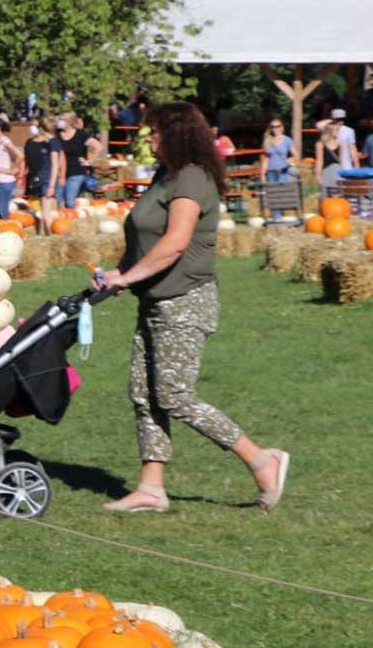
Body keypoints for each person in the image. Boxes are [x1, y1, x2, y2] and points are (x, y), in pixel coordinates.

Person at [93, 103, 291, 513]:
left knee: (174, 396)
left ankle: (261, 459)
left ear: (177, 133)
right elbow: (147, 241)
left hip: (185, 302)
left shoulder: (192, 178)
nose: (148, 139)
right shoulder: (165, 176)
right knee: (144, 394)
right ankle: (152, 488)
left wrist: (127, 278)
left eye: (155, 133)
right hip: (154, 300)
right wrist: (118, 274)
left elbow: (176, 242)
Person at [53, 113, 101, 207]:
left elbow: (98, 146)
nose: (60, 122)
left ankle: (70, 218)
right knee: (58, 200)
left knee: (70, 200)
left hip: (76, 172)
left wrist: (89, 161)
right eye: (59, 119)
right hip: (59, 172)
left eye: (62, 120)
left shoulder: (80, 135)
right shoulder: (56, 135)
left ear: (70, 122)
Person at [21, 121, 57, 231]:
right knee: (36, 210)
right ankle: (41, 233)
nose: (33, 128)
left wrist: (51, 185)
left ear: (42, 128)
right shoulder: (29, 143)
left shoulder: (51, 143)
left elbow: (55, 165)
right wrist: (21, 174)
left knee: (46, 211)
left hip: (45, 178)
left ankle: (51, 236)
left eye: (36, 126)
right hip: (33, 179)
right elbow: (25, 160)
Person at [261, 118, 294, 183]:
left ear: (282, 127)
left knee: (283, 192)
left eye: (278, 126)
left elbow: (295, 155)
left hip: (283, 171)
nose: (275, 128)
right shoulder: (268, 141)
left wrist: (290, 162)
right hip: (270, 171)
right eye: (272, 127)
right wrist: (262, 174)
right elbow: (266, 159)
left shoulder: (287, 140)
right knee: (273, 192)